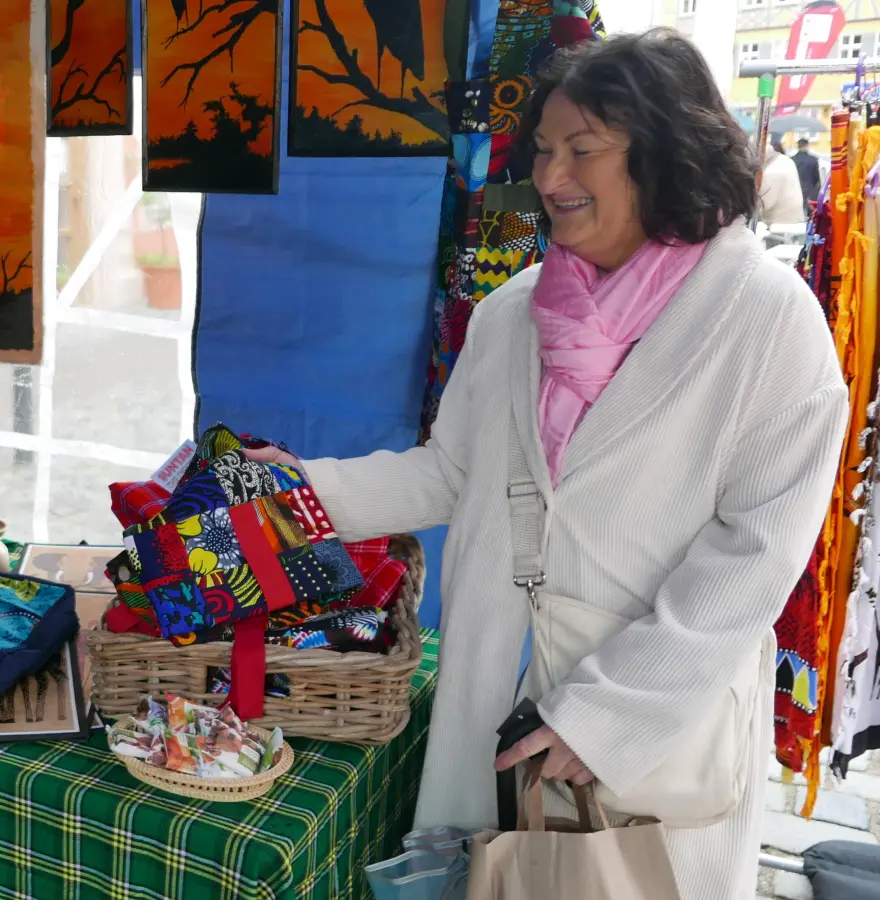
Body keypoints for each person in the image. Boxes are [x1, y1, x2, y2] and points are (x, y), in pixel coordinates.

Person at [251, 30, 844, 900]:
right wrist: (295, 491)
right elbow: (446, 475)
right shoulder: (512, 313)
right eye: (542, 150)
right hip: (498, 691)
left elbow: (757, 554)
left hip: (650, 737)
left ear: (666, 155)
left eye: (583, 150)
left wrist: (607, 715)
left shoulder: (766, 322)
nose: (551, 177)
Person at [761, 134, 808, 226]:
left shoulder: (773, 170)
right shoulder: (785, 160)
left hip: (780, 223)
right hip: (794, 219)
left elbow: (765, 203)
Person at [794, 136, 823, 212]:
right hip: (809, 190)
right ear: (807, 146)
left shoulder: (792, 159)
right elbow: (817, 178)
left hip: (795, 189)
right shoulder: (813, 160)